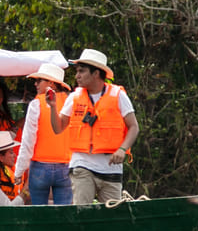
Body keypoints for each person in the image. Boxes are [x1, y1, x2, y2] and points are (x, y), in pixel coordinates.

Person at [47, 49, 140, 205]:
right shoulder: (75, 97)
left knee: (112, 217)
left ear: (96, 73)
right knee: (82, 212)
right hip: (82, 165)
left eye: (81, 71)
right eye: (77, 71)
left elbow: (134, 127)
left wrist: (122, 150)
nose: (77, 76)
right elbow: (58, 128)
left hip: (111, 168)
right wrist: (52, 107)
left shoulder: (118, 96)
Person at [13, 62, 73, 205]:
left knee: (39, 214)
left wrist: (19, 171)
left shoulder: (36, 104)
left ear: (51, 83)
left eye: (39, 80)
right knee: (64, 215)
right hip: (66, 166)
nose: (35, 84)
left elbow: (28, 141)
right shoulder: (72, 102)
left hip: (40, 168)